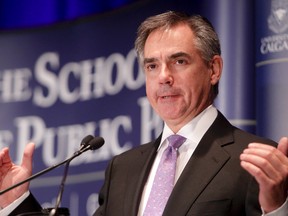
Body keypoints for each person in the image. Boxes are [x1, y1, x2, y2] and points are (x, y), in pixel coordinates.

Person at [0, 11, 287, 216]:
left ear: (213, 70)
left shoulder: (255, 159)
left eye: (179, 61)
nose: (164, 76)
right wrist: (17, 202)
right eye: (152, 66)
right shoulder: (123, 169)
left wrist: (276, 208)